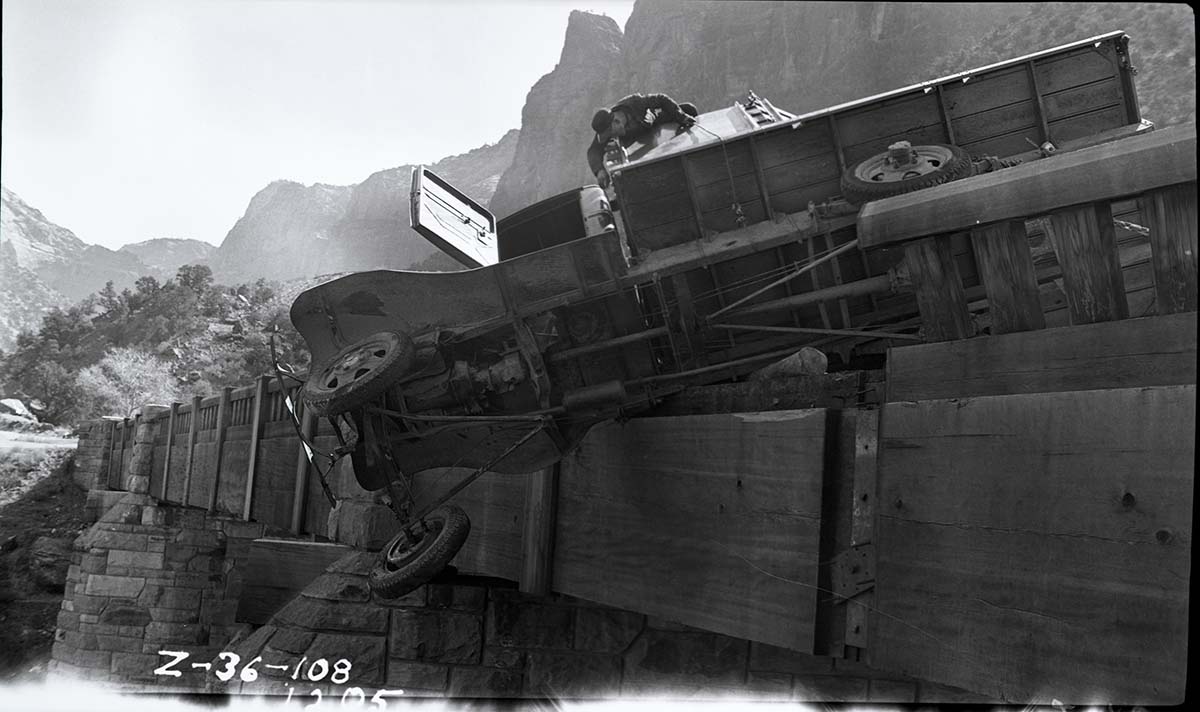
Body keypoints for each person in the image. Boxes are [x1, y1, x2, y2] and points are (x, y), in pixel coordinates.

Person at [587, 93, 699, 187]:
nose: (612, 136)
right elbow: (593, 150)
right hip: (636, 147)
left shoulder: (635, 103)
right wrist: (599, 171)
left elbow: (661, 99)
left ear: (616, 121)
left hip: (654, 124)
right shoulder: (605, 127)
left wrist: (681, 117)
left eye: (611, 132)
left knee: (689, 109)